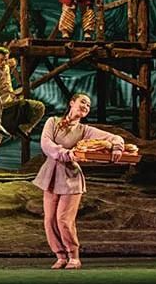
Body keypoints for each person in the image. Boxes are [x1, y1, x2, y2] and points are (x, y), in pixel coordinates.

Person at [33, 93, 124, 270]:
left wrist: (117, 148)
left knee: (64, 219)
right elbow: (46, 144)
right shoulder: (53, 122)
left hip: (71, 177)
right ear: (71, 103)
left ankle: (73, 256)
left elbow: (115, 138)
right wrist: (66, 153)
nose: (86, 106)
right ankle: (60, 256)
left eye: (89, 105)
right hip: (50, 174)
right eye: (83, 102)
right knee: (50, 220)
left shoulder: (84, 130)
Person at [0, 46, 45, 171]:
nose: (4, 62)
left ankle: (23, 129)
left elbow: (10, 66)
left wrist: (12, 64)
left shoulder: (6, 65)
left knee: (38, 107)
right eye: (1, 60)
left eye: (6, 59)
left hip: (12, 103)